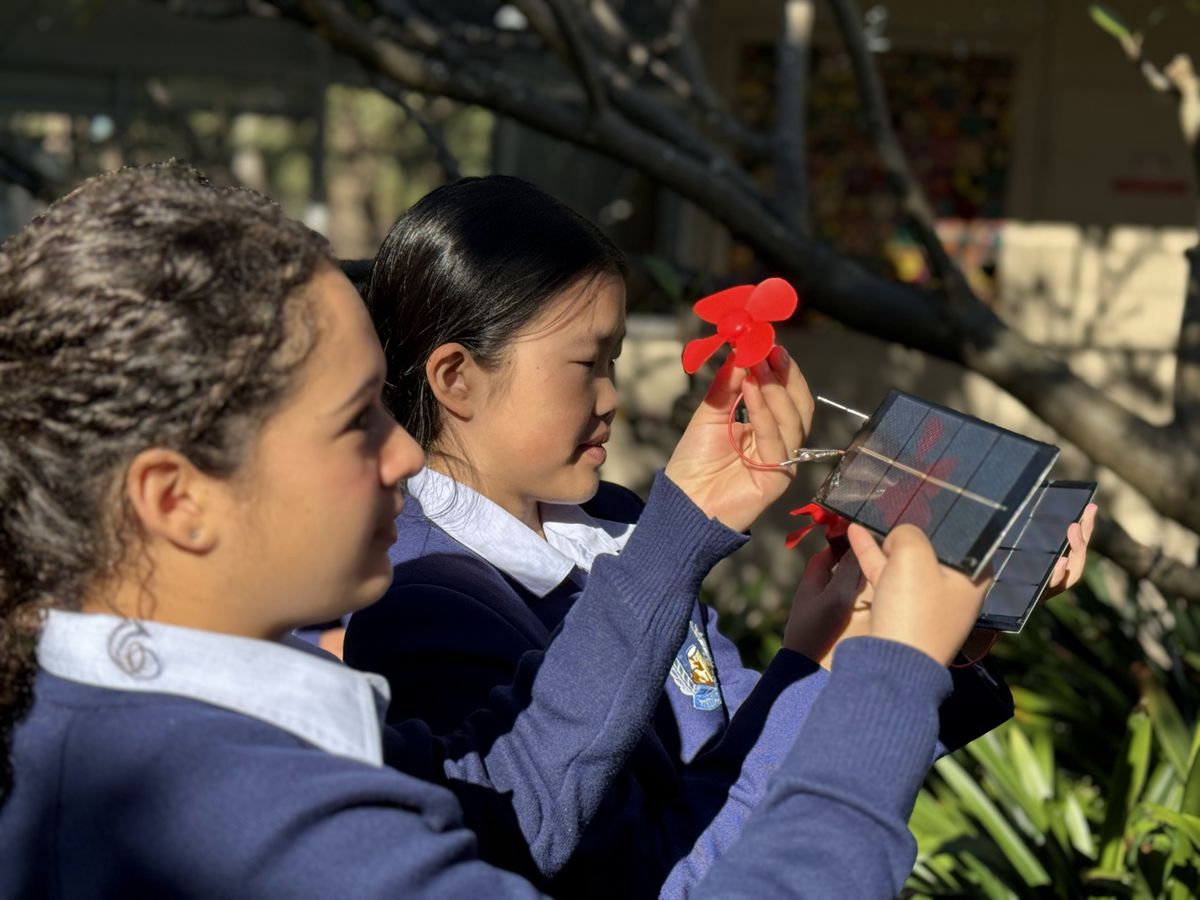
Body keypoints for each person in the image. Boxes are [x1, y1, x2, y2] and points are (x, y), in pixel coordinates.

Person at [0, 161, 988, 899]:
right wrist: (890, 678)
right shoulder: (244, 826)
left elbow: (517, 798)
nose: (403, 453)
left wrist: (699, 533)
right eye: (355, 421)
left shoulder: (157, 741)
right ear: (176, 498)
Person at [344, 175, 1060, 895]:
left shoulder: (618, 527)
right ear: (456, 378)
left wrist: (917, 632)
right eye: (587, 363)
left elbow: (732, 743)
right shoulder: (423, 600)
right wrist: (851, 663)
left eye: (615, 360)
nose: (611, 397)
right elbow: (656, 870)